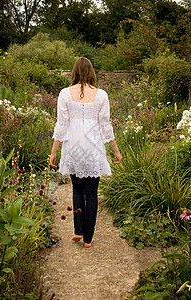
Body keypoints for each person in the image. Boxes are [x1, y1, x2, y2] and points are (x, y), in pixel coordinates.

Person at [49, 57, 122, 248]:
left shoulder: (65, 94)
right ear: (91, 72)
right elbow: (105, 125)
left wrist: (53, 152)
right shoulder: (101, 95)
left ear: (74, 72)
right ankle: (88, 239)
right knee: (92, 193)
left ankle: (78, 231)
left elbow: (62, 124)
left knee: (77, 189)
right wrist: (116, 151)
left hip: (73, 147)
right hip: (93, 147)